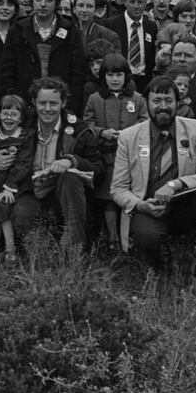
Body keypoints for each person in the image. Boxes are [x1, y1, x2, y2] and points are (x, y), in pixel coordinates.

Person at [111, 76, 196, 266]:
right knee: (148, 239)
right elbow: (118, 189)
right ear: (146, 103)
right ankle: (163, 269)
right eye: (156, 101)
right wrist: (141, 205)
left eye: (169, 101)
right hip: (149, 207)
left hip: (184, 205)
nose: (163, 107)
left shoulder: (195, 129)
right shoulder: (128, 137)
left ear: (177, 103)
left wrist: (175, 184)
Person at [0, 76, 94, 251]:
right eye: (42, 103)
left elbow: (97, 166)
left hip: (62, 195)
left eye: (53, 103)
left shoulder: (79, 130)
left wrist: (71, 160)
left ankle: (73, 249)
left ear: (63, 103)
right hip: (29, 191)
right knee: (23, 217)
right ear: (34, 102)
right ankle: (41, 248)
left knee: (70, 178)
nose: (47, 109)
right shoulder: (22, 124)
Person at [83, 53, 147, 249]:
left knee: (129, 196)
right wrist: (103, 132)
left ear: (126, 76)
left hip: (131, 157)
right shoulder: (95, 99)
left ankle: (129, 238)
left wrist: (130, 132)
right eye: (110, 75)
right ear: (103, 77)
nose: (115, 79)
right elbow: (86, 123)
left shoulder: (137, 99)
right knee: (109, 197)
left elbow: (145, 120)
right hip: (106, 156)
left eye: (119, 75)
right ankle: (112, 238)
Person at [15, 0, 88, 115]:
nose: (42, 4)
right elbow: (9, 68)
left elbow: (77, 72)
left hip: (60, 103)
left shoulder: (70, 30)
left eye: (48, 0)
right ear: (32, 2)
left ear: (56, 3)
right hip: (26, 103)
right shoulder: (18, 29)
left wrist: (70, 105)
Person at [0, 94, 27, 259]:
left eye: (14, 114)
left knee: (5, 213)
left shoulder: (25, 136)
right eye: (5, 113)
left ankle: (10, 250)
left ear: (21, 118)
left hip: (13, 183)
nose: (9, 118)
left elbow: (24, 163)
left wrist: (10, 186)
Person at [103, 0, 157, 93]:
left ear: (145, 3)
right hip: (120, 80)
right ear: (125, 3)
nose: (136, 6)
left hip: (145, 82)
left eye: (140, 2)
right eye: (132, 2)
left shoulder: (151, 26)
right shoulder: (112, 25)